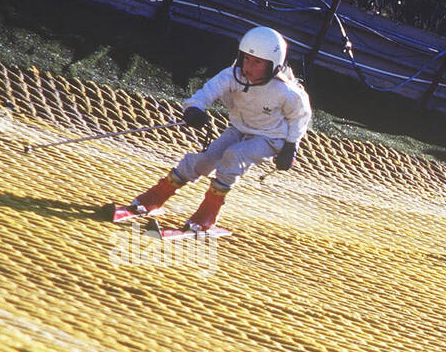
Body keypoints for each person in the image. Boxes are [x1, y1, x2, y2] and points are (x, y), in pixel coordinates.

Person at [124, 26, 312, 232]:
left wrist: (291, 146)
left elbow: (300, 116)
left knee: (234, 156)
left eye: (257, 62)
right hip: (239, 129)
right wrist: (194, 109)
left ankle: (208, 214)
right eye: (246, 58)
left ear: (273, 65)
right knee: (204, 160)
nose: (249, 66)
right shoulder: (232, 75)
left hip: (270, 138)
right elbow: (207, 92)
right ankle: (156, 197)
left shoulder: (285, 90)